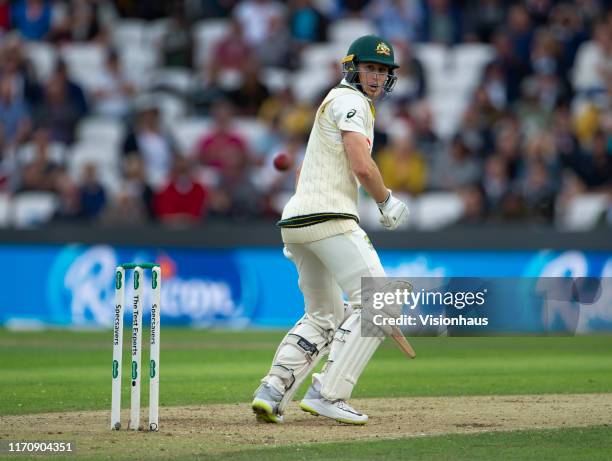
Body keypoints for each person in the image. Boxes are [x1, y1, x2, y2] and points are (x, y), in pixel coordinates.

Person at [251, 35, 409, 425]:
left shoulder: (331, 101)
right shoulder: (353, 103)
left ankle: (272, 391)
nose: (376, 77)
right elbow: (361, 164)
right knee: (380, 302)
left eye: (383, 71)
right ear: (353, 68)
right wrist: (386, 201)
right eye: (370, 68)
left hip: (296, 223)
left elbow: (308, 170)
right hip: (329, 219)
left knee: (323, 313)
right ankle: (329, 393)